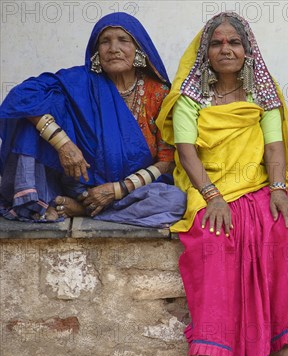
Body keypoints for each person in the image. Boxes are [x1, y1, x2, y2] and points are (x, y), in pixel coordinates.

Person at [155, 12, 288, 356]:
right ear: (205, 52)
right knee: (214, 244)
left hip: (260, 185)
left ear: (247, 50)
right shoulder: (189, 98)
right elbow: (186, 152)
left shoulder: (263, 93)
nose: (225, 49)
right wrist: (212, 197)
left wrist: (279, 189)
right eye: (217, 43)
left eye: (234, 42)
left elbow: (275, 147)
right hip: (208, 187)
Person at [0, 13, 184, 227]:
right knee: (33, 114)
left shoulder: (159, 93)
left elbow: (166, 162)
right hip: (78, 185)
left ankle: (83, 211)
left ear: (139, 50)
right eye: (105, 41)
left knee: (175, 201)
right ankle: (68, 201)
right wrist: (64, 145)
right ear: (97, 52)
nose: (113, 48)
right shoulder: (80, 82)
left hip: (131, 191)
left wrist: (115, 190)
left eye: (123, 40)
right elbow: (22, 96)